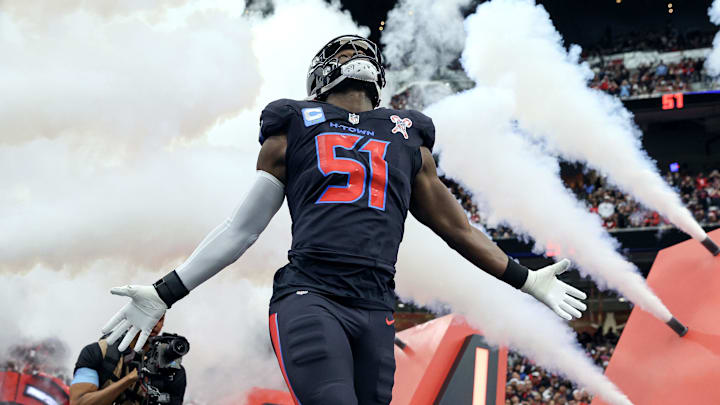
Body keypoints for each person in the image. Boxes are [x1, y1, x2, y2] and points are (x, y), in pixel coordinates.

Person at [100, 35, 587, 405]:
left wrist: (525, 280)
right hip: (313, 297)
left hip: (373, 306)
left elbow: (240, 230)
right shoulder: (384, 134)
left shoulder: (339, 132)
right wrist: (523, 278)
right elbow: (458, 230)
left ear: (320, 76)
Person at [71, 316, 186, 405]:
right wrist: (131, 378)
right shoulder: (98, 352)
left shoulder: (172, 370)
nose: (155, 324)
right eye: (150, 317)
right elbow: (78, 402)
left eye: (160, 319)